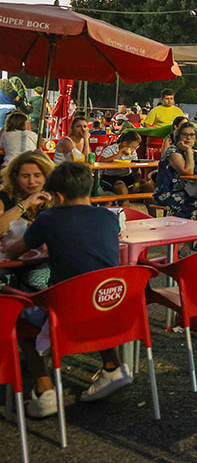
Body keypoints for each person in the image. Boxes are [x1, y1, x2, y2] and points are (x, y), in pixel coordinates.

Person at [3, 162, 130, 417]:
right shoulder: (108, 216)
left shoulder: (50, 218)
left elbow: (12, 251)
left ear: (58, 196)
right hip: (111, 307)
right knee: (90, 288)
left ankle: (44, 389)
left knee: (17, 314)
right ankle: (112, 365)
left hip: (66, 312)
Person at [0, 151, 53, 292]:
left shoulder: (55, 197)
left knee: (40, 281)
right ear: (15, 177)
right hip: (9, 263)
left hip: (44, 262)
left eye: (37, 175)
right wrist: (26, 203)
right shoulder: (5, 196)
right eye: (25, 176)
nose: (31, 181)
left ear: (46, 176)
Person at [152, 121, 197, 220]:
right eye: (184, 134)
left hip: (190, 191)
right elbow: (188, 171)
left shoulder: (194, 153)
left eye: (192, 135)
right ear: (178, 137)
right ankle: (190, 233)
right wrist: (188, 150)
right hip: (169, 192)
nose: (188, 138)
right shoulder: (173, 152)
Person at [97, 129, 143, 196]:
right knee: (122, 188)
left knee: (147, 186)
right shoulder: (111, 149)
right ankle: (125, 203)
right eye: (133, 146)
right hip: (110, 176)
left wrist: (136, 184)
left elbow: (136, 169)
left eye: (137, 147)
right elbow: (100, 162)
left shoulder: (133, 152)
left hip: (126, 176)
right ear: (124, 143)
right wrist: (118, 155)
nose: (135, 149)